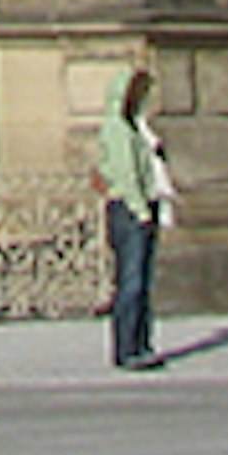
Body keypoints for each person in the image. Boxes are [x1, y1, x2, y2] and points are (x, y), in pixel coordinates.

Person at [94, 65, 173, 371]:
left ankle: (141, 343)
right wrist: (141, 210)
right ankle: (127, 348)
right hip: (129, 209)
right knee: (131, 281)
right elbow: (126, 174)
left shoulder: (135, 127)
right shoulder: (117, 129)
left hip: (142, 206)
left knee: (142, 282)